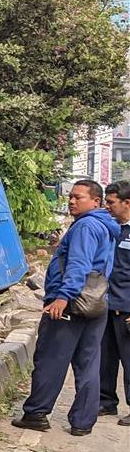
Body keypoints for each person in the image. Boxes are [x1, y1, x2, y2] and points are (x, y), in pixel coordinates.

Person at [14, 179, 120, 435]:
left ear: (96, 201)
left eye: (78, 197)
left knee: (51, 357)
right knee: (88, 363)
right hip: (96, 303)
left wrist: (63, 297)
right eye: (71, 197)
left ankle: (36, 413)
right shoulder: (108, 227)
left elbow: (78, 265)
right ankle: (83, 422)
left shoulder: (85, 227)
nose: (72, 201)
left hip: (71, 303)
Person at [99, 180, 130, 426]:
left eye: (111, 202)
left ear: (126, 203)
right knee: (105, 357)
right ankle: (106, 401)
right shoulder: (112, 230)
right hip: (106, 305)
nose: (107, 207)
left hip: (127, 307)